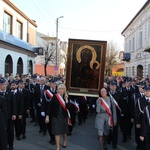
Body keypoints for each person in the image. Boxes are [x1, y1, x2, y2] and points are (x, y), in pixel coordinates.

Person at [45, 83, 70, 150]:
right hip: (56, 117)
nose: (61, 90)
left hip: (64, 117)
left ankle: (64, 141)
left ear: (64, 90)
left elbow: (68, 108)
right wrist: (47, 116)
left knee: (64, 131)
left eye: (62, 89)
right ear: (57, 90)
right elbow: (49, 107)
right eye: (59, 89)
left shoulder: (67, 97)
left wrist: (66, 99)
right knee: (56, 132)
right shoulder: (55, 97)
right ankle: (58, 147)